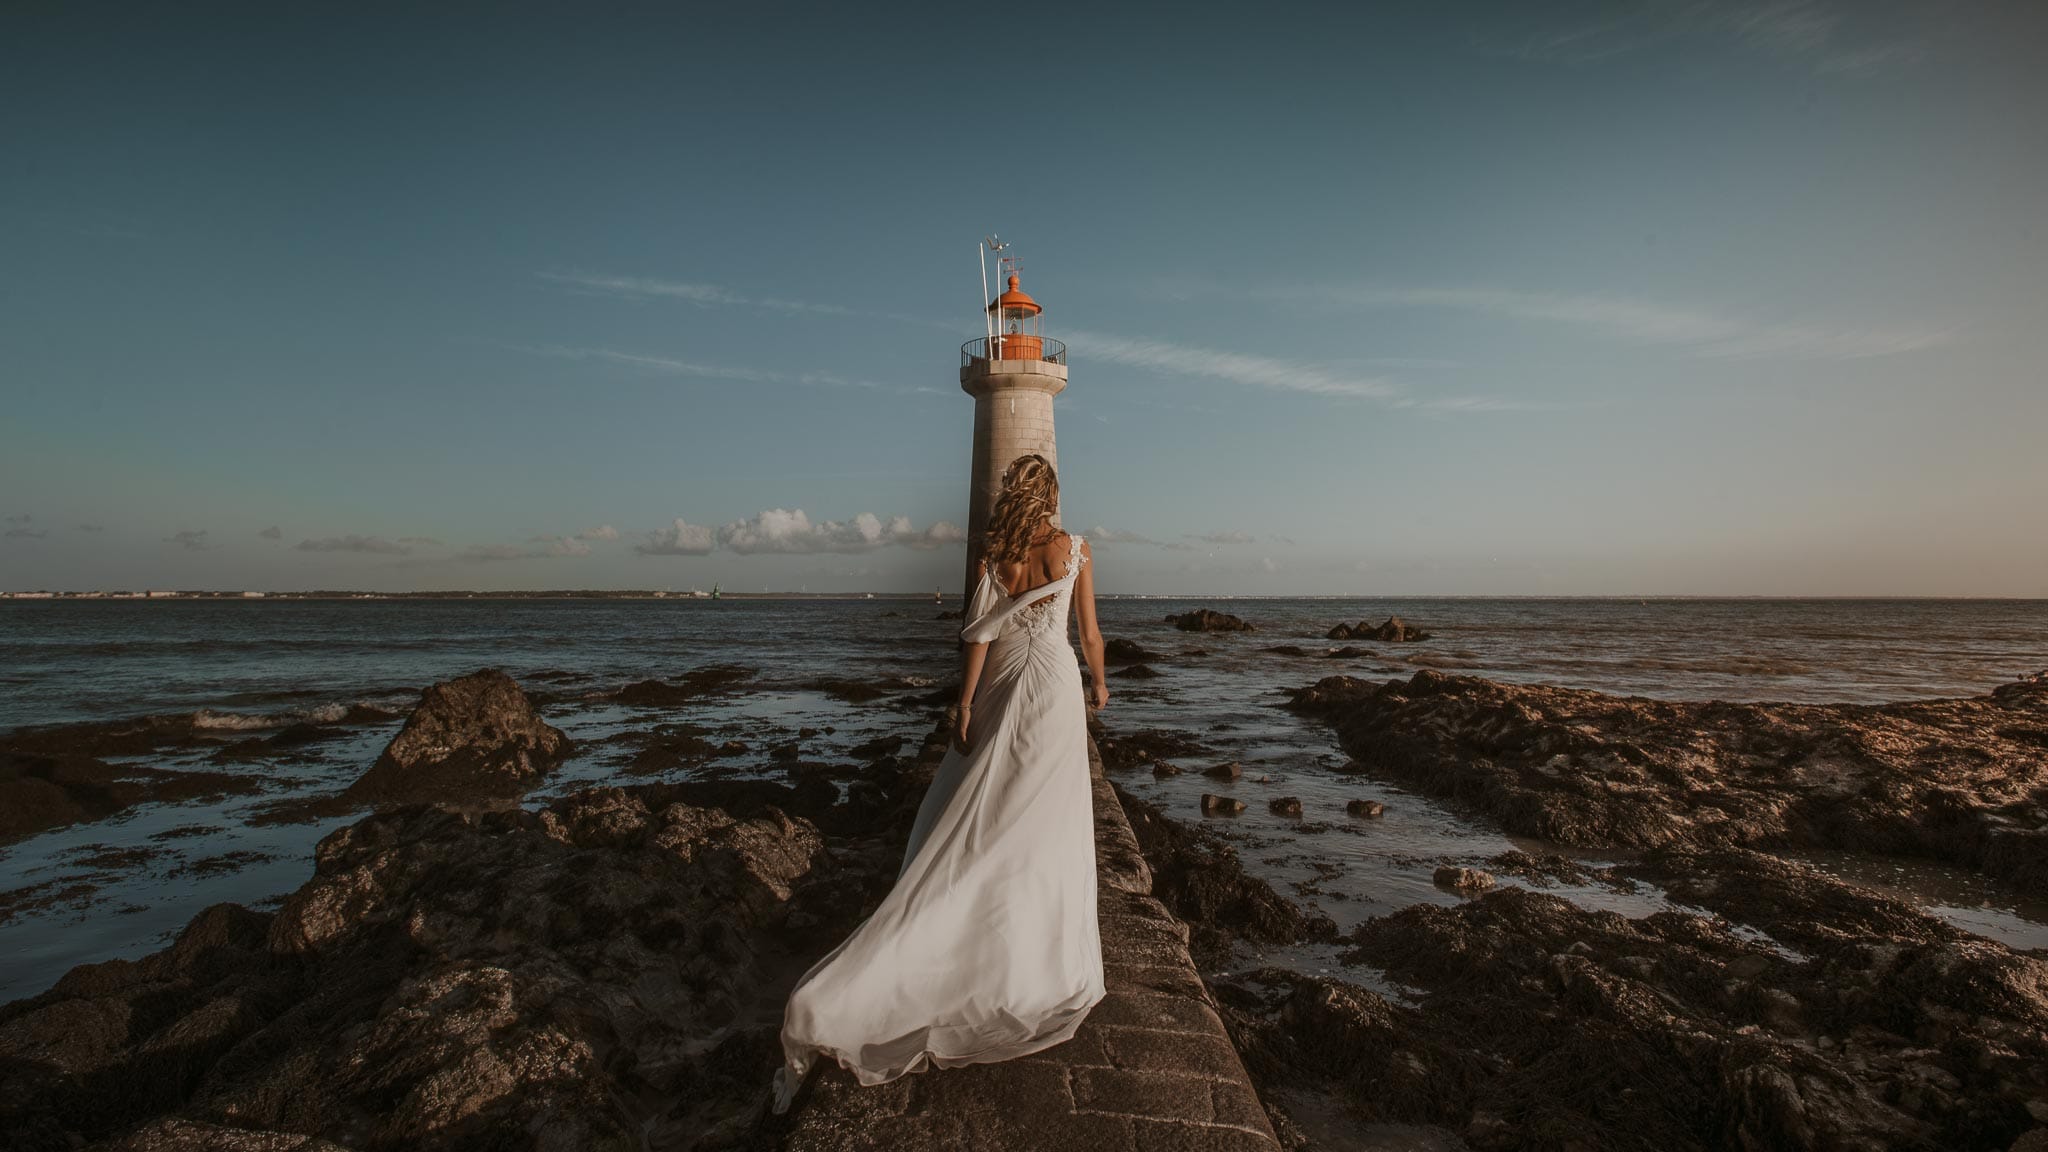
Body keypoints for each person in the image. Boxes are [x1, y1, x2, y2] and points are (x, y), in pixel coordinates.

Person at [771, 453, 1109, 1113]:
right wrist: (1099, 681)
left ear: (1014, 494)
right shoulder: (1075, 549)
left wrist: (963, 703)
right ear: (1054, 496)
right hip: (1055, 691)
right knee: (1045, 823)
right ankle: (1032, 962)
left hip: (1010, 688)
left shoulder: (1000, 555)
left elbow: (979, 639)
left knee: (990, 815)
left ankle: (946, 939)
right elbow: (1089, 634)